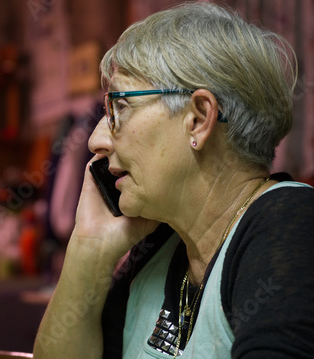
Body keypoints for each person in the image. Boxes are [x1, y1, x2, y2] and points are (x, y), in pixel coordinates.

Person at [33, 2, 314, 358]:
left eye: (119, 107)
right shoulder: (160, 242)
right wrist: (89, 249)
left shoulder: (290, 223)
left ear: (198, 118)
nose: (95, 140)